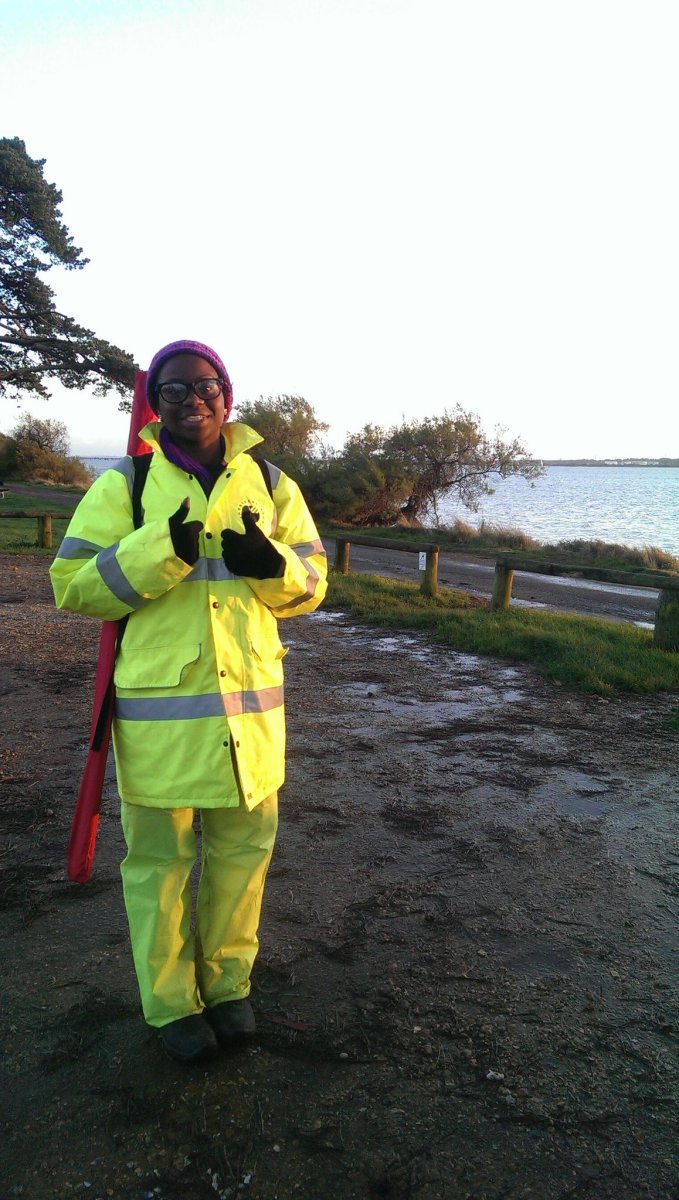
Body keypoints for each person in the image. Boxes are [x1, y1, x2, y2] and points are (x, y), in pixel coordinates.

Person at [50, 339, 327, 1063]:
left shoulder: (271, 482)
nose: (192, 399)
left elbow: (311, 585)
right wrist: (157, 552)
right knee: (159, 868)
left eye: (205, 385)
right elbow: (71, 586)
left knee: (242, 861)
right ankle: (172, 1003)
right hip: (159, 723)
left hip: (250, 719)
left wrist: (270, 565)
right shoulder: (127, 484)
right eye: (173, 389)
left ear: (226, 396)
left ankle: (228, 988)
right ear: (155, 403)